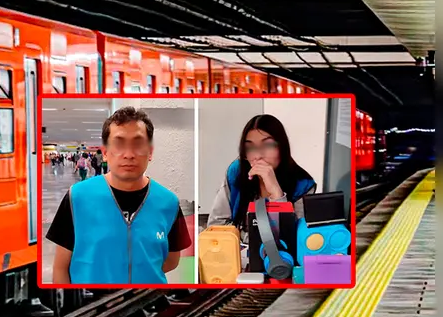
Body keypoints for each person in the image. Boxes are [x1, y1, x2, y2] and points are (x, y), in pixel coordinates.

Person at [46, 107, 191, 284]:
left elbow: (171, 260)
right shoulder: (77, 198)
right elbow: (60, 268)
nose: (129, 155)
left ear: (150, 152)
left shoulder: (168, 203)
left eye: (138, 145)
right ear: (105, 153)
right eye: (119, 145)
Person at [206, 114, 316, 234]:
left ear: (282, 148)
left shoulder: (302, 185)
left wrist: (277, 194)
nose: (257, 155)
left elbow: (296, 238)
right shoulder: (237, 172)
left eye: (267, 145)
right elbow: (216, 225)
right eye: (250, 147)